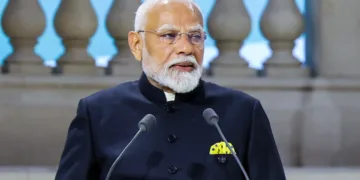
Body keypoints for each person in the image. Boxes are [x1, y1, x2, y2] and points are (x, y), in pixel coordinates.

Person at [55, 0, 286, 179]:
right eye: (169, 36)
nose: (186, 48)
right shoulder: (97, 113)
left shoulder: (244, 113)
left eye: (195, 36)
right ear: (137, 44)